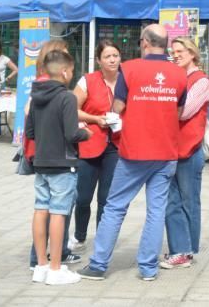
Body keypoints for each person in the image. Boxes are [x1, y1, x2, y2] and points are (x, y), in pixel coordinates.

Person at [78, 24, 188, 281]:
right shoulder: (179, 74)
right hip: (166, 151)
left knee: (115, 206)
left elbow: (117, 108)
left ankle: (98, 265)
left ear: (145, 42)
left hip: (134, 151)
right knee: (156, 210)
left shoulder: (129, 69)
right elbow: (179, 112)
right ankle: (148, 268)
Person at [26, 49, 91, 285]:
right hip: (63, 164)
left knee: (40, 209)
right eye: (72, 71)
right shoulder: (66, 97)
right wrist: (86, 132)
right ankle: (55, 269)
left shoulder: (36, 96)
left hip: (41, 161)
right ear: (64, 72)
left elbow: (31, 132)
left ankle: (41, 265)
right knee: (58, 213)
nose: (72, 75)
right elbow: (72, 133)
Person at [161, 37, 209, 269]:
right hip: (171, 148)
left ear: (192, 53)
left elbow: (183, 113)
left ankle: (187, 250)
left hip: (189, 150)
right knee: (172, 201)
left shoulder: (201, 81)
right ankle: (178, 249)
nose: (176, 55)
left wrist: (159, 105)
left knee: (188, 200)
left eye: (180, 51)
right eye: (173, 51)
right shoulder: (177, 78)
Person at [69, 40, 122, 252]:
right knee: (83, 197)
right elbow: (72, 109)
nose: (112, 60)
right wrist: (95, 119)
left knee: (106, 198)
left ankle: (103, 239)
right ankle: (80, 235)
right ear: (99, 61)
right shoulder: (88, 81)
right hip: (90, 142)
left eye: (115, 55)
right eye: (107, 56)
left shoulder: (126, 81)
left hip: (116, 146)